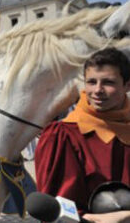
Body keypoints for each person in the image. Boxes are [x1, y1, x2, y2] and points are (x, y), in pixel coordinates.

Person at [35, 48, 130, 220]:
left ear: (127, 85)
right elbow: (58, 208)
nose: (98, 90)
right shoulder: (63, 135)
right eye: (91, 82)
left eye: (108, 82)